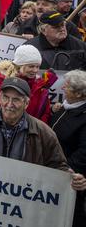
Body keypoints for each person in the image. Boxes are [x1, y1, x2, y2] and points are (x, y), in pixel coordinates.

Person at [0, 44, 57, 123]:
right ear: (19, 66)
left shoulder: (40, 86)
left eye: (37, 67)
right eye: (31, 66)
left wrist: (36, 132)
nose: (35, 70)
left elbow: (44, 113)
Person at [51, 70, 86, 226]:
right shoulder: (64, 107)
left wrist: (63, 170)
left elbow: (83, 152)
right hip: (51, 170)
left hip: (69, 178)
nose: (63, 87)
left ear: (79, 94)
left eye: (68, 86)